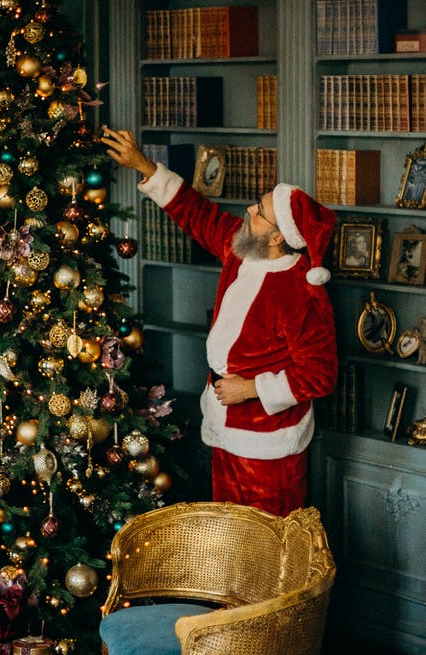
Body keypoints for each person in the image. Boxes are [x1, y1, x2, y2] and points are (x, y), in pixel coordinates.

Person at [101, 127, 338, 516]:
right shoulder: (240, 247)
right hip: (223, 426)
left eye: (259, 212)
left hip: (268, 444)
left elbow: (320, 374)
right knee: (228, 538)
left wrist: (250, 389)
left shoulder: (303, 293)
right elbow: (197, 213)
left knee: (265, 543)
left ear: (278, 236)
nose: (248, 211)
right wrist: (142, 164)